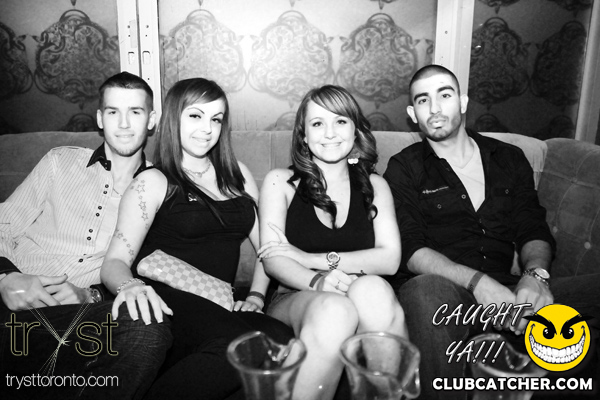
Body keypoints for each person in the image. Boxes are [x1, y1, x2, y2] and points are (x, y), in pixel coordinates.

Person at [383, 64, 600, 399]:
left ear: (463, 102)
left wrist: (535, 276)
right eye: (423, 100)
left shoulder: (508, 158)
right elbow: (410, 250)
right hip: (448, 295)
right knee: (425, 291)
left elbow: (532, 226)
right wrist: (480, 285)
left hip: (510, 289)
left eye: (445, 95)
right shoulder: (404, 168)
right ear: (413, 114)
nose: (435, 108)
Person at [100, 77, 294, 400]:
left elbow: (268, 249)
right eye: (195, 116)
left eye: (216, 119)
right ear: (173, 118)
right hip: (169, 298)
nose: (207, 129)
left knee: (283, 340)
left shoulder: (238, 175)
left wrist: (257, 296)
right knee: (243, 348)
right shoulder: (153, 181)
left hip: (220, 301)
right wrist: (130, 286)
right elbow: (114, 262)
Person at [0, 72, 172, 399]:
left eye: (135, 112)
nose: (124, 123)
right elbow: (3, 224)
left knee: (148, 326)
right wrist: (6, 278)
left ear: (151, 120)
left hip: (73, 322)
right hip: (7, 301)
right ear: (100, 118)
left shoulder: (158, 191)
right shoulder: (59, 161)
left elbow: (145, 272)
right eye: (113, 112)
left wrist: (88, 296)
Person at [258, 85, 407, 400]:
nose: (329, 133)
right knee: (336, 309)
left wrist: (311, 258)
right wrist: (317, 281)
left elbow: (390, 259)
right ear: (303, 135)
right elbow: (273, 258)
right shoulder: (279, 183)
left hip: (361, 292)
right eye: (317, 123)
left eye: (340, 121)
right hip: (295, 297)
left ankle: (385, 394)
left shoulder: (376, 186)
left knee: (373, 290)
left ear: (355, 130)